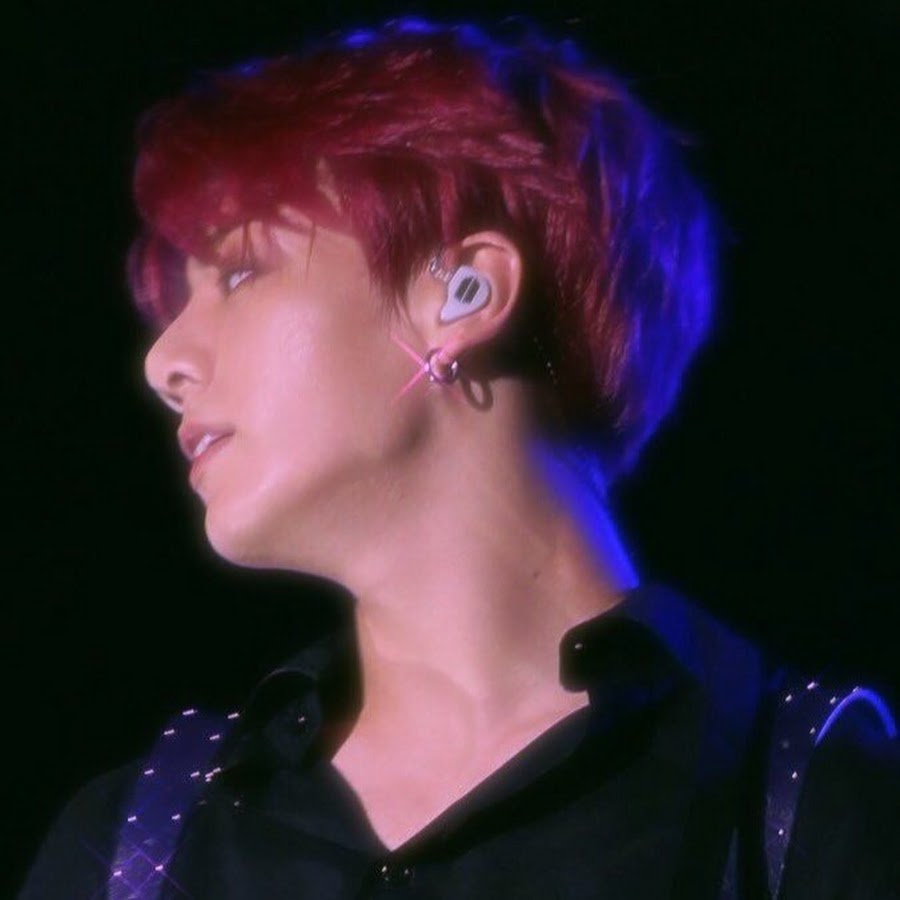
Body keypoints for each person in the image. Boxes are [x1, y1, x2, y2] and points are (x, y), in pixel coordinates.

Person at [18, 18, 899, 900]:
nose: (163, 361)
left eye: (241, 272)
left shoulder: (806, 799)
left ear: (465, 292)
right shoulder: (135, 844)